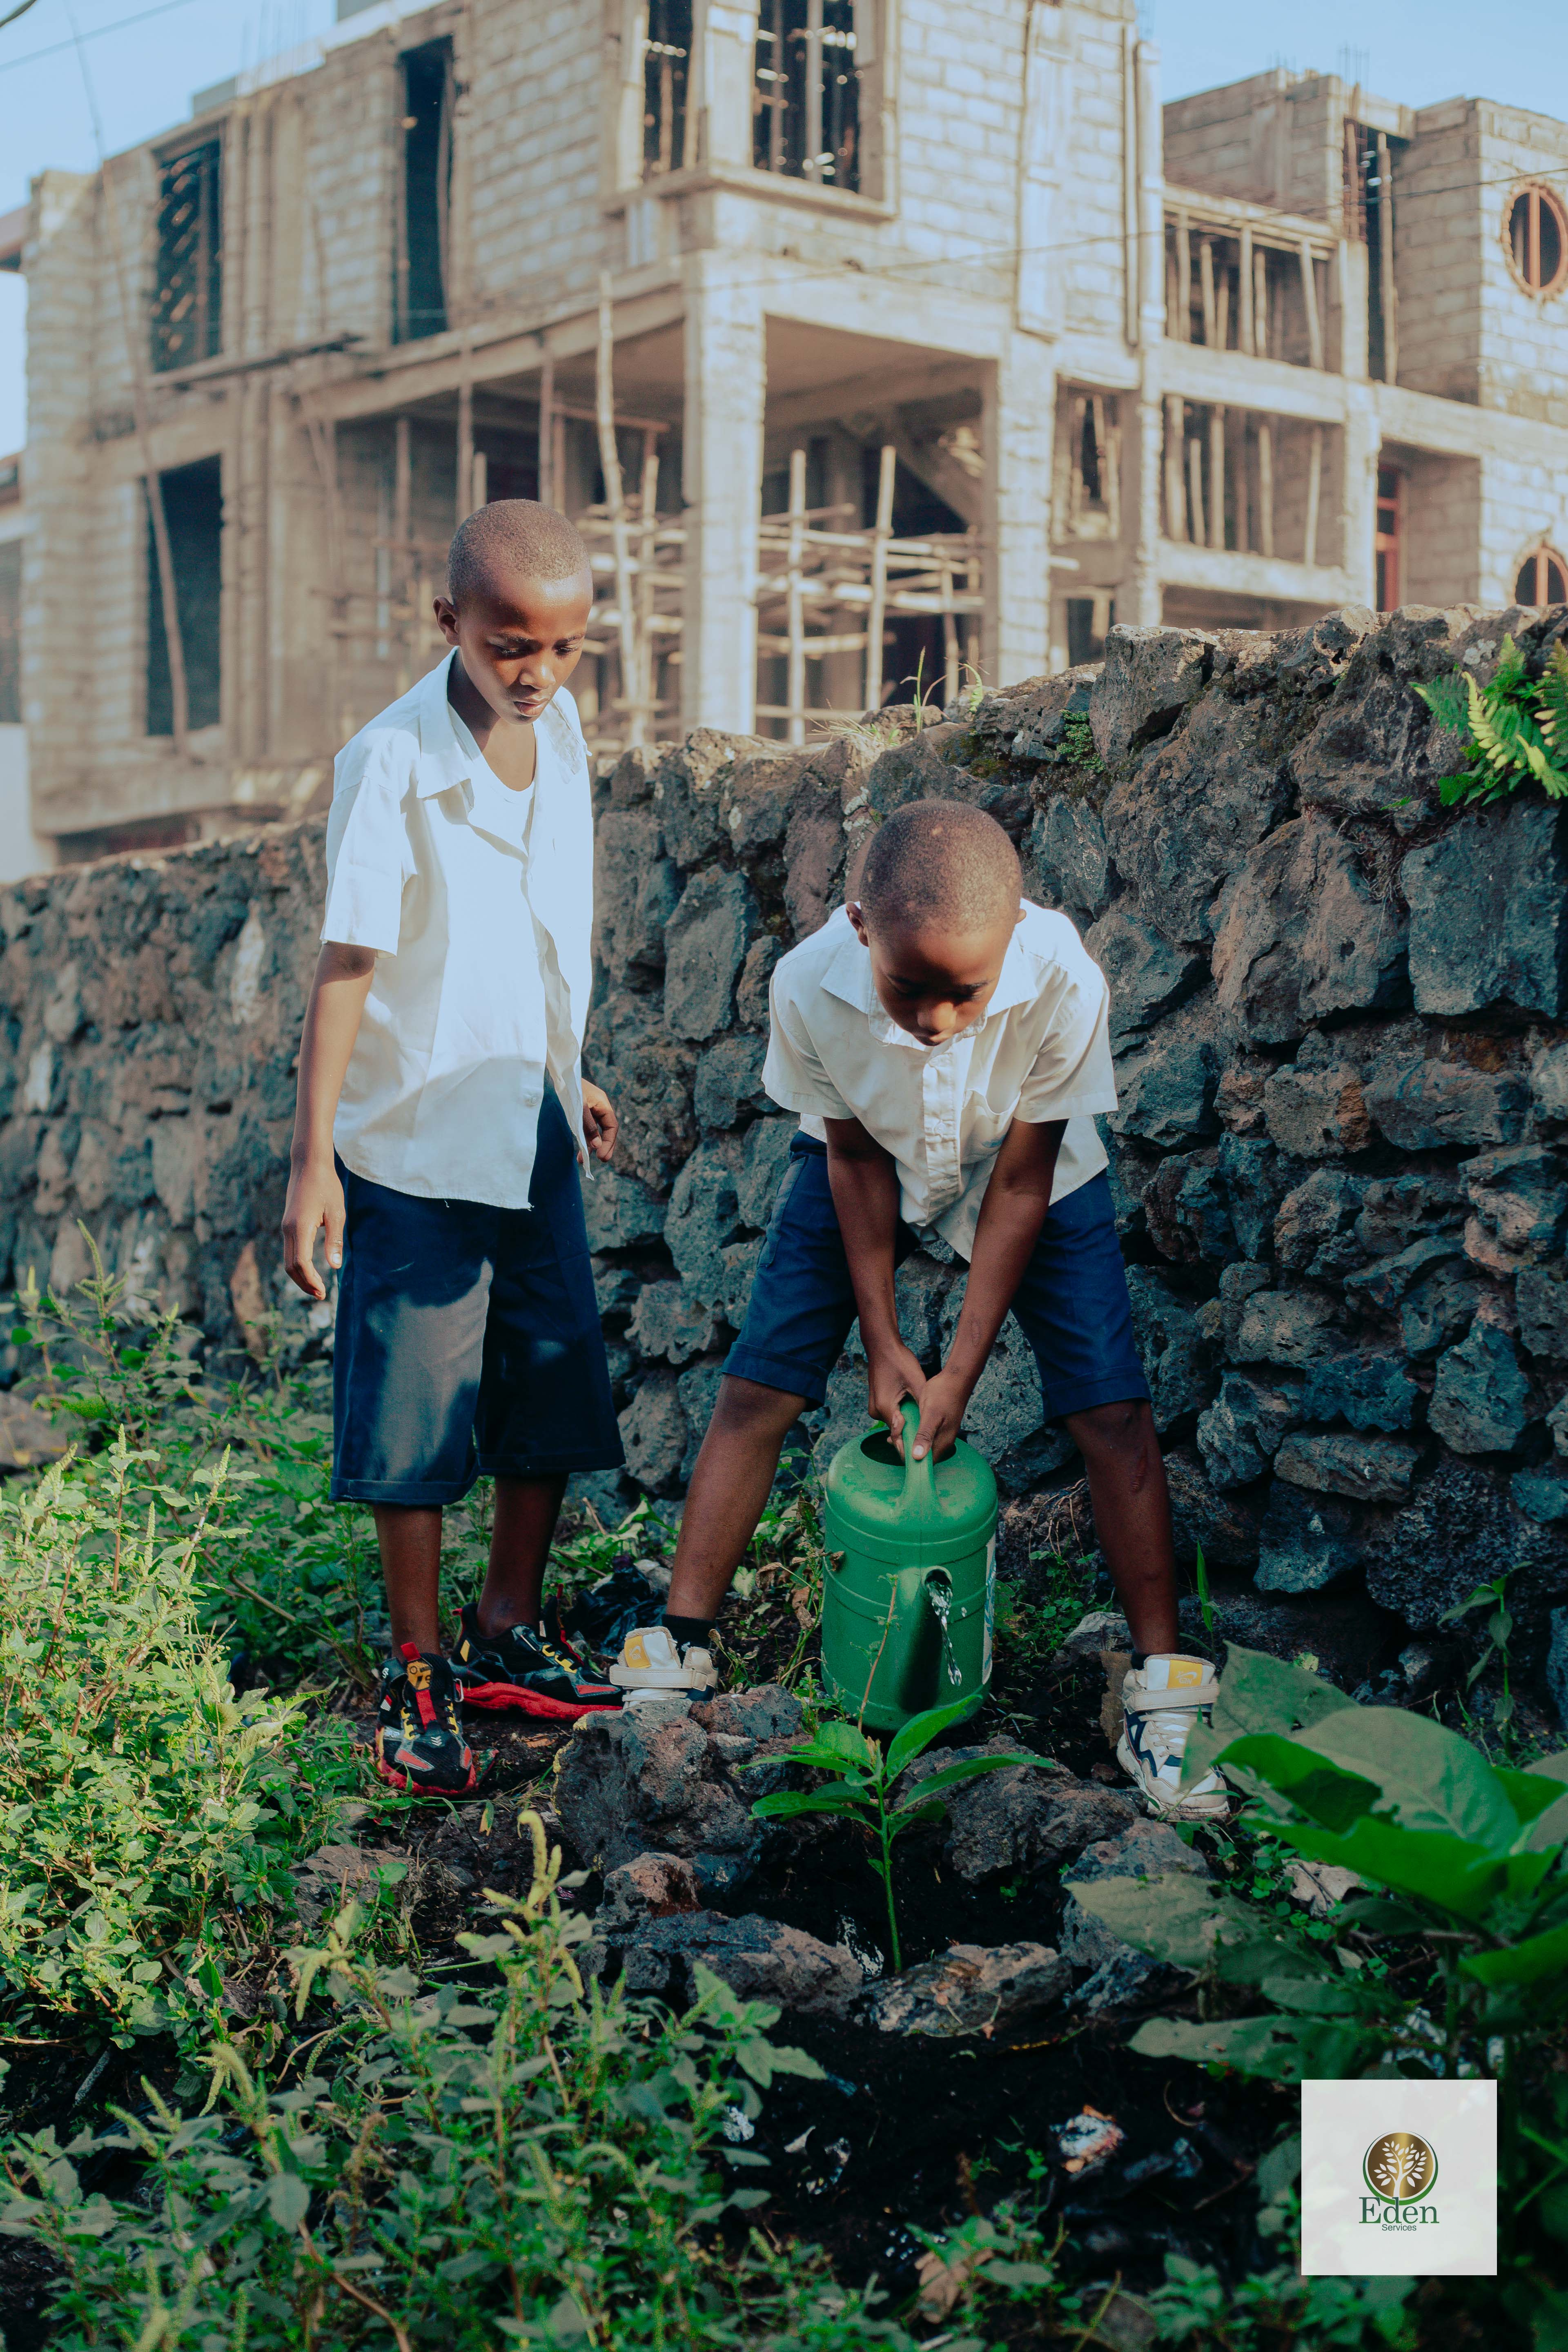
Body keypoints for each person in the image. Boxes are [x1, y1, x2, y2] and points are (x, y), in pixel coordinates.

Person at [608, 797, 1226, 1818]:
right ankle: (682, 1643)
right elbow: (850, 1156)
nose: (937, 1023)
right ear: (859, 927)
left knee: (1110, 1409)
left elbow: (1023, 1186)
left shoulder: (1064, 978)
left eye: (966, 994)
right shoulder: (806, 987)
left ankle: (1161, 1694)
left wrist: (963, 1370)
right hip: (866, 1156)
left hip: (1034, 1171)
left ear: (1017, 930)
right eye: (911, 989)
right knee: (761, 1381)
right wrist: (886, 1341)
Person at [281, 501, 626, 1797]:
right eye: (509, 649)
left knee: (548, 1375)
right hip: (418, 1135)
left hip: (525, 1113)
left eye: (563, 649)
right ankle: (417, 1663)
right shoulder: (391, 763)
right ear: (450, 628)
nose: (536, 675)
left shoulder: (566, 732)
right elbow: (351, 961)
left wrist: (569, 1066)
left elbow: (533, 926)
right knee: (416, 1410)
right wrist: (316, 1159)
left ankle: (506, 1629)